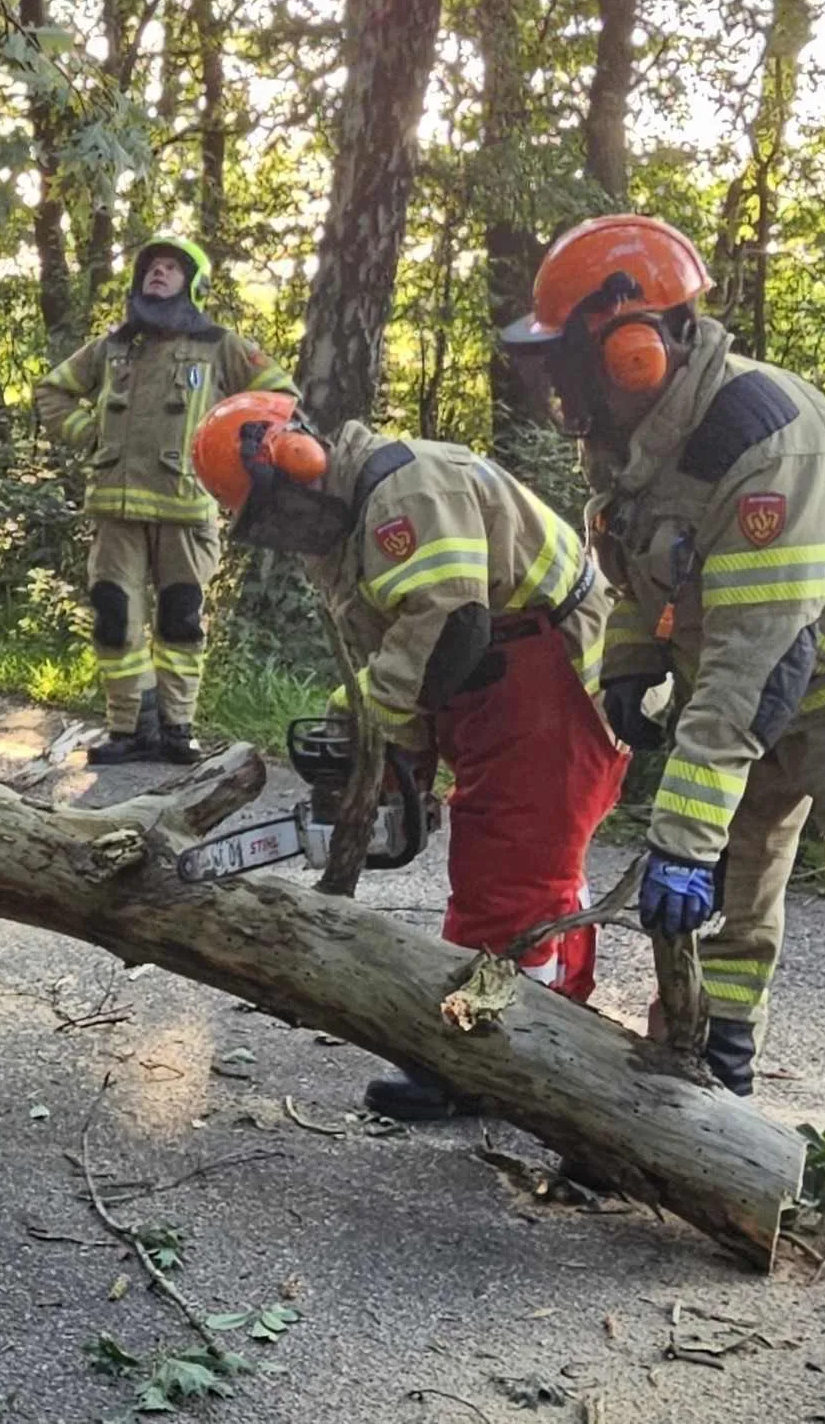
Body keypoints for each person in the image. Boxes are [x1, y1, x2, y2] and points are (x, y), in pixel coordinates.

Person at [502, 212, 825, 1268]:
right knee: (722, 914)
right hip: (746, 698)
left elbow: (761, 659)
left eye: (567, 361)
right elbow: (637, 576)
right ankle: (706, 1089)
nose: (557, 390)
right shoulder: (635, 442)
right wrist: (629, 670)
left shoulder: (763, 436)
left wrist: (680, 831)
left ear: (633, 342)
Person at [190, 391, 628, 1119]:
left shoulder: (403, 491)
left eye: (275, 509)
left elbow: (451, 624)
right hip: (497, 674)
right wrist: (401, 771)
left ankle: (479, 1056)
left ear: (300, 460)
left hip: (548, 667)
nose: (282, 532)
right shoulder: (340, 533)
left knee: (506, 872)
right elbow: (409, 647)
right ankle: (553, 1026)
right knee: (542, 871)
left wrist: (371, 722)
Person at [35, 238, 296, 765]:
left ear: (191, 284)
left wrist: (235, 455)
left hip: (186, 510)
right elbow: (53, 390)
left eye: (171, 268)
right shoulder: (112, 346)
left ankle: (177, 730)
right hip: (115, 514)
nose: (158, 273)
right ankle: (130, 728)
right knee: (115, 618)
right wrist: (88, 433)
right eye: (151, 267)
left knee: (180, 620)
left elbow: (280, 397)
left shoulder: (220, 345)